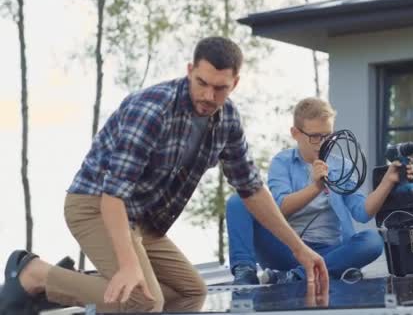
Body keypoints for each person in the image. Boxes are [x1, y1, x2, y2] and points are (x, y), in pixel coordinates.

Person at [0, 37, 328, 314]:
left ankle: (76, 288)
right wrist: (128, 265)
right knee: (145, 301)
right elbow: (114, 195)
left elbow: (252, 190)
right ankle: (37, 275)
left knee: (191, 292)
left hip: (144, 222)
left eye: (220, 88)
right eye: (202, 83)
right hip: (95, 204)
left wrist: (298, 248)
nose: (208, 97)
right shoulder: (152, 110)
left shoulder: (227, 120)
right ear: (190, 71)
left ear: (235, 84)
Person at [226, 97, 413, 285]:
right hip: (288, 249)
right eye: (315, 136)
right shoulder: (282, 162)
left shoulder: (342, 165)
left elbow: (363, 213)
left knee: (373, 241)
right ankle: (245, 273)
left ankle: (295, 277)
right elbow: (279, 209)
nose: (323, 143)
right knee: (239, 201)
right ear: (295, 133)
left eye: (328, 136)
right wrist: (316, 187)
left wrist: (388, 180)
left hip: (329, 252)